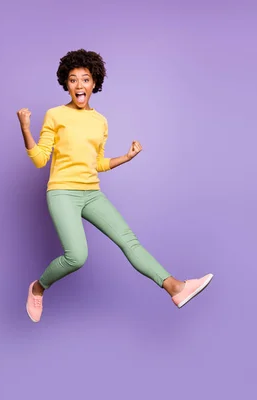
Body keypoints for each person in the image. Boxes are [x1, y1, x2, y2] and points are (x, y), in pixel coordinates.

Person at [17, 49, 213, 323]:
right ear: (66, 84)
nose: (79, 85)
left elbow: (96, 163)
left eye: (85, 79)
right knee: (77, 256)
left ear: (94, 82)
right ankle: (38, 287)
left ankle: (175, 288)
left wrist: (127, 157)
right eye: (73, 80)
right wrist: (25, 128)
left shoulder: (101, 121)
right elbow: (40, 160)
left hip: (92, 193)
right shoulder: (55, 115)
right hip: (62, 192)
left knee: (129, 241)